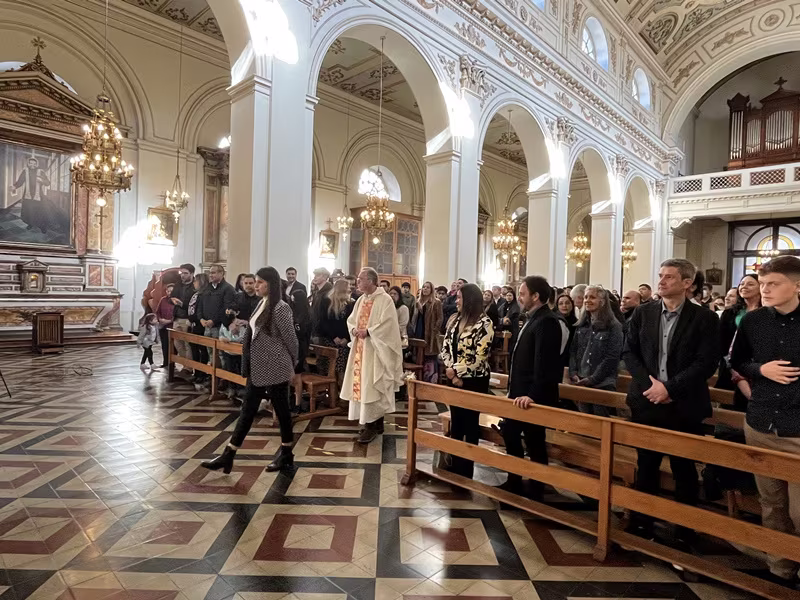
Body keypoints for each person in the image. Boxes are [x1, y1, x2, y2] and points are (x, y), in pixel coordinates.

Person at [623, 258, 720, 546]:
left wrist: (669, 389)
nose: (661, 281)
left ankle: (684, 530)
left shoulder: (704, 318)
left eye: (669, 277)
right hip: (646, 401)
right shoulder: (643, 312)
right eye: (660, 275)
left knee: (683, 468)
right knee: (646, 464)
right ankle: (642, 522)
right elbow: (630, 353)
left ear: (687, 283)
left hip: (684, 404)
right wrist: (651, 386)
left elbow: (706, 362)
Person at [730, 255, 800, 589]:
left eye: (774, 283)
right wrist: (761, 369)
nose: (765, 289)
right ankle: (780, 568)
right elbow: (738, 360)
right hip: (760, 423)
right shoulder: (753, 320)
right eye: (763, 283)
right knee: (772, 504)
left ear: (797, 285)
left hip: (798, 426)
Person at [202, 266, 299, 474]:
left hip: (276, 366)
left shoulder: (281, 307)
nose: (256, 286)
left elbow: (291, 339)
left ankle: (286, 454)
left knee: (282, 411)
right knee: (247, 410)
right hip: (258, 366)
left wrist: (293, 364)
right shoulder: (262, 303)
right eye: (255, 281)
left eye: (260, 282)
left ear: (271, 284)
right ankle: (229, 454)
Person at [500, 276, 564, 499]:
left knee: (532, 439)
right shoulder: (532, 318)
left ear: (536, 296)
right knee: (521, 436)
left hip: (532, 396)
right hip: (521, 393)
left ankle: (534, 486)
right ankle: (518, 481)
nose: (519, 297)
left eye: (523, 293)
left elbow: (544, 363)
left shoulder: (547, 321)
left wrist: (532, 395)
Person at [340, 268, 404, 444]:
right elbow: (351, 320)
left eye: (360, 279)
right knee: (364, 386)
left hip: (376, 351)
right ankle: (374, 423)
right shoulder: (362, 299)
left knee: (372, 385)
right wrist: (354, 329)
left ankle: (372, 426)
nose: (357, 282)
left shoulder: (385, 300)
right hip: (361, 350)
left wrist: (368, 331)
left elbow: (389, 325)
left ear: (371, 280)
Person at [440, 283, 494, 477]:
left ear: (469, 300)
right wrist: (451, 371)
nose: (456, 301)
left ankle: (466, 470)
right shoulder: (456, 319)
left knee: (470, 424)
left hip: (474, 380)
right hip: (453, 377)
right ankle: (455, 466)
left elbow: (480, 357)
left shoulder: (484, 323)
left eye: (459, 297)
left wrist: (456, 371)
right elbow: (446, 346)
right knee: (456, 422)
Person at [568, 285, 624, 416]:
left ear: (602, 302)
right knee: (585, 421)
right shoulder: (582, 324)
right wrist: (573, 372)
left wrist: (593, 379)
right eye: (586, 297)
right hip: (581, 380)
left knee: (600, 421)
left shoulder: (613, 326)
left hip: (602, 383)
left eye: (592, 297)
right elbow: (573, 350)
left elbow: (612, 357)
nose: (587, 300)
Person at [316, 278, 353, 386]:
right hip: (329, 339)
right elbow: (324, 321)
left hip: (344, 341)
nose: (350, 289)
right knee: (330, 368)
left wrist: (346, 338)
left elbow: (351, 322)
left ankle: (341, 391)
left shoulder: (350, 303)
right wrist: (333, 337)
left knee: (341, 368)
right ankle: (332, 391)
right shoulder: (326, 301)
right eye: (348, 287)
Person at [411, 281, 443, 383]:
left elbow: (440, 318)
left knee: (430, 357)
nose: (425, 289)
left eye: (428, 287)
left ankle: (431, 381)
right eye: (424, 287)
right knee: (419, 356)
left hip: (430, 333)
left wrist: (435, 329)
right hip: (419, 331)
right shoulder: (418, 302)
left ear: (431, 290)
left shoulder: (436, 302)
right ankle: (419, 380)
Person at [196, 264, 236, 341]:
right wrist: (201, 318)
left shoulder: (228, 288)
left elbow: (226, 308)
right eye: (210, 273)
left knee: (219, 348)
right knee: (208, 348)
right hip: (206, 325)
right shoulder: (207, 288)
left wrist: (214, 321)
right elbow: (200, 305)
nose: (210, 275)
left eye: (213, 273)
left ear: (221, 273)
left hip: (219, 326)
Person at [170, 264, 196, 369]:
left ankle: (188, 368)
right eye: (181, 273)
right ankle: (185, 364)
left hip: (188, 318)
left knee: (187, 344)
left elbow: (194, 303)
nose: (183, 275)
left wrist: (182, 304)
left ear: (192, 274)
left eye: (185, 273)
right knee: (178, 343)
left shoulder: (194, 286)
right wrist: (172, 300)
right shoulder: (178, 284)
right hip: (177, 317)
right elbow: (171, 297)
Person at [188, 273, 210, 384]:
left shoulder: (204, 295)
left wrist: (196, 319)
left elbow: (201, 311)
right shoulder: (196, 294)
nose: (194, 283)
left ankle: (202, 373)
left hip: (200, 325)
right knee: (194, 349)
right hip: (194, 325)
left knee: (203, 350)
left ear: (201, 282)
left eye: (195, 281)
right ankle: (196, 372)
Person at [155, 283, 175, 368]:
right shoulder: (163, 300)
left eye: (171, 291)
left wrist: (169, 321)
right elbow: (157, 311)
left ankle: (172, 363)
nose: (169, 293)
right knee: (164, 345)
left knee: (173, 346)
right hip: (163, 326)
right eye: (168, 291)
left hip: (172, 326)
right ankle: (165, 362)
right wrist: (160, 319)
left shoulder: (176, 301)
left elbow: (177, 313)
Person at [310, 267, 333, 333]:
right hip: (316, 330)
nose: (315, 277)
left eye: (318, 275)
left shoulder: (329, 293)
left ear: (325, 277)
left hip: (324, 332)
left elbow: (328, 315)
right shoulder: (317, 292)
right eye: (315, 275)